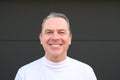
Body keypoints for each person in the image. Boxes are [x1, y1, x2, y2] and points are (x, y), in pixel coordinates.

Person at [15, 12, 97, 80]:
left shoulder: (85, 72)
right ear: (41, 38)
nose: (55, 37)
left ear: (70, 38)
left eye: (61, 32)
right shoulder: (25, 73)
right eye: (49, 32)